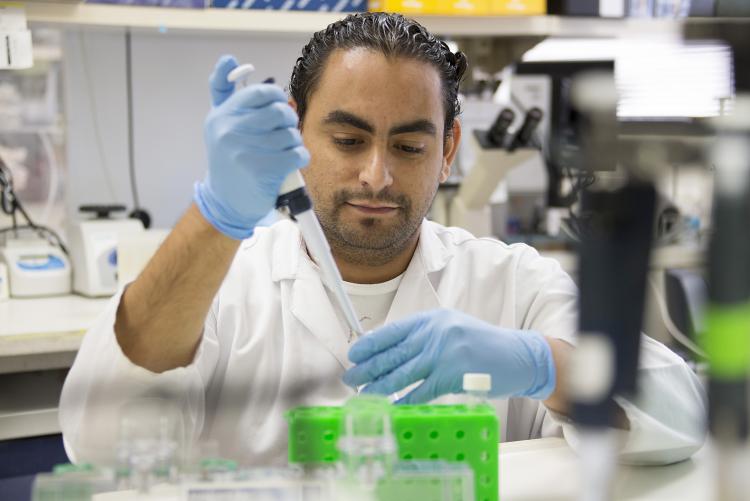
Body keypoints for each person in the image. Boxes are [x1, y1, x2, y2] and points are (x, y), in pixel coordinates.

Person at [60, 12, 705, 467]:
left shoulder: (510, 284)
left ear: (448, 149)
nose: (376, 174)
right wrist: (218, 214)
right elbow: (97, 441)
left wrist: (540, 363)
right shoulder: (227, 284)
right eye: (346, 140)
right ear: (296, 132)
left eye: (408, 145)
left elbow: (679, 414)